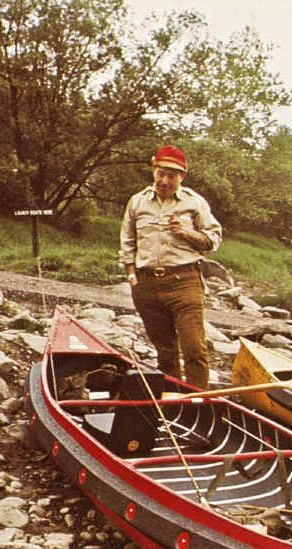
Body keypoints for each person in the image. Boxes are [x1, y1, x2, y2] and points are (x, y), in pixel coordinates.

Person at [119, 145, 222, 389]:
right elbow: (127, 242)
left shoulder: (194, 203)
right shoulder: (137, 202)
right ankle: (173, 400)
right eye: (161, 174)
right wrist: (132, 276)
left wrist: (187, 232)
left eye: (172, 175)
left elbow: (213, 240)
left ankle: (196, 401)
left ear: (182, 176)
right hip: (146, 286)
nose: (165, 181)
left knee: (194, 349)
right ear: (154, 171)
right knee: (165, 351)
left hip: (184, 282)